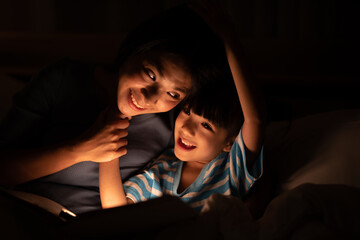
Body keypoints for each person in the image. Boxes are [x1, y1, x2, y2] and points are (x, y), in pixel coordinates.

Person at [0, 5, 218, 214]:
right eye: (151, 74)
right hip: (24, 215)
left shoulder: (174, 124)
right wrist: (82, 149)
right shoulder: (63, 81)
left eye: (173, 94)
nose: (149, 97)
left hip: (92, 228)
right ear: (134, 51)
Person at [99, 2, 267, 213]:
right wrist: (110, 143)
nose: (187, 128)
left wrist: (229, 39)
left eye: (206, 125)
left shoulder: (231, 168)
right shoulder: (162, 168)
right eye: (186, 111)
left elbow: (255, 119)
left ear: (229, 142)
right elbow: (116, 210)